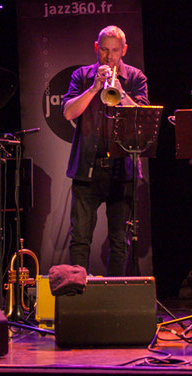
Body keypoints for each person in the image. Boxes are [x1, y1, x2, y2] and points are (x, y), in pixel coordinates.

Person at [61, 25, 148, 276]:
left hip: (123, 170)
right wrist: (94, 88)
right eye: (105, 50)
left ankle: (115, 298)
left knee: (120, 240)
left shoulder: (136, 77)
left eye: (115, 51)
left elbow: (142, 120)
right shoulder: (82, 75)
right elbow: (68, 112)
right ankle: (79, 298)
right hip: (86, 167)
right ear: (96, 48)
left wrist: (120, 93)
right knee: (80, 238)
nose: (109, 57)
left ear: (124, 51)